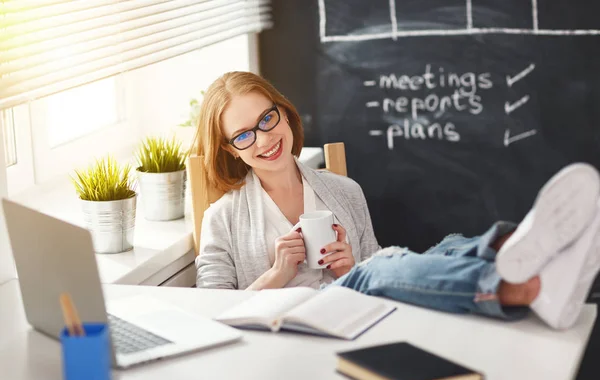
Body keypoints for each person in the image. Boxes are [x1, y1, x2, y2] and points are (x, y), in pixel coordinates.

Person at [194, 71, 600, 330]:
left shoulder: (344, 191)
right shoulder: (222, 218)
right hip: (288, 329)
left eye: (267, 119)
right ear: (231, 149)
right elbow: (208, 313)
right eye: (244, 134)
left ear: (283, 113)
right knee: (385, 265)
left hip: (352, 316)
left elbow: (383, 272)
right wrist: (278, 274)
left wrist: (349, 266)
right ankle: (522, 286)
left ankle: (517, 250)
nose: (264, 139)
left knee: (446, 246)